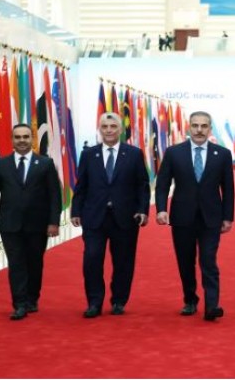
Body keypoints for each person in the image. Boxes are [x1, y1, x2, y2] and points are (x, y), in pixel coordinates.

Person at [155, 111, 235, 321]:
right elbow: (162, 184)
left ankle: (212, 306)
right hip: (182, 217)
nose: (199, 130)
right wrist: (161, 209)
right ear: (188, 127)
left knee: (208, 260)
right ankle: (190, 300)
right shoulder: (174, 153)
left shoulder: (222, 154)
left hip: (211, 217)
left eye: (204, 126)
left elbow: (228, 188)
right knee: (185, 261)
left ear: (210, 129)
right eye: (195, 125)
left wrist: (228, 217)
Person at [71, 113, 150, 318]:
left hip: (125, 217)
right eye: (105, 126)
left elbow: (142, 185)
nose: (108, 130)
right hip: (94, 217)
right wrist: (76, 210)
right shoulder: (89, 154)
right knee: (92, 259)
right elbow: (81, 185)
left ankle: (118, 301)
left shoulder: (134, 154)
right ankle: (94, 302)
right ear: (100, 129)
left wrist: (142, 210)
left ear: (120, 129)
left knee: (123, 262)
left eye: (113, 126)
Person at [0, 124, 62, 320]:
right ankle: (19, 304)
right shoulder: (1, 164)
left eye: (25, 137)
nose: (22, 141)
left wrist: (53, 222)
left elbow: (54, 195)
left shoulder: (45, 163)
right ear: (12, 140)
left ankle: (32, 299)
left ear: (32, 139)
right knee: (16, 263)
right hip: (9, 224)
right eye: (17, 137)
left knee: (35, 263)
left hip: (38, 224)